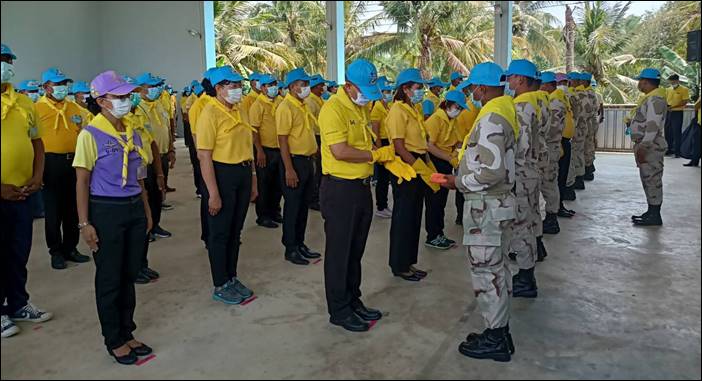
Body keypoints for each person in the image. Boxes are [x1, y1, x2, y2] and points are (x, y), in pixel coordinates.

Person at [73, 70, 153, 365]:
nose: (125, 101)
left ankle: (127, 330)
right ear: (101, 101)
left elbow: (139, 176)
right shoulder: (90, 135)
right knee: (109, 276)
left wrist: (145, 210)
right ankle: (114, 338)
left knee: (128, 273)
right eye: (118, 97)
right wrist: (85, 223)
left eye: (126, 96)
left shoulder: (132, 132)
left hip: (133, 206)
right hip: (106, 209)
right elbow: (82, 181)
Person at [440, 61, 517, 362]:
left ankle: (496, 338)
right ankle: (499, 331)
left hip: (487, 206)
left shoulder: (491, 118)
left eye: (473, 88)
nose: (472, 94)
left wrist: (456, 182)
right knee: (496, 269)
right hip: (497, 206)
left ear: (483, 88)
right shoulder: (504, 110)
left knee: (487, 272)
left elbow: (492, 171)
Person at [318, 59, 390, 332]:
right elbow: (340, 151)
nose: (366, 98)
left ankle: (353, 300)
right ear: (348, 86)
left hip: (361, 186)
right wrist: (375, 155)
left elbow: (365, 140)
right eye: (362, 91)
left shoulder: (360, 107)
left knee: (355, 250)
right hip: (339, 189)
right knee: (339, 252)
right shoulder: (332, 109)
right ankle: (339, 309)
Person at [1, 43, 53, 339]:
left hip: (23, 192)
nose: (5, 64)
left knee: (18, 251)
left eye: (8, 59)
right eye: (1, 60)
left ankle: (18, 303)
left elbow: (37, 143)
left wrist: (37, 175)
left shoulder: (24, 103)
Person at [196, 66, 258, 304]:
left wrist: (252, 179)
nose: (237, 90)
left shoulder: (240, 110)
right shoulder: (209, 113)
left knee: (235, 231)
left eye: (238, 85)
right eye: (231, 86)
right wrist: (213, 193)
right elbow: (204, 156)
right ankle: (220, 283)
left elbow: (247, 147)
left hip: (242, 173)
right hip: (221, 175)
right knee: (220, 233)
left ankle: (232, 277)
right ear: (218, 89)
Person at [35, 67, 91, 270]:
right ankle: (56, 251)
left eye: (63, 84)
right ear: (46, 87)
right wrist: (37, 171)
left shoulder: (73, 107)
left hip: (73, 161)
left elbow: (84, 130)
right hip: (50, 163)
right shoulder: (36, 108)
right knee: (53, 211)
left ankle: (71, 247)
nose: (62, 88)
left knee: (72, 208)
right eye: (57, 84)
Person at [386, 68, 432, 282]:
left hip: (418, 161)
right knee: (404, 217)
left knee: (414, 217)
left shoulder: (412, 108)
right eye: (417, 87)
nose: (420, 91)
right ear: (404, 89)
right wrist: (417, 167)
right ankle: (399, 264)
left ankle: (409, 262)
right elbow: (399, 146)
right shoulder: (397, 111)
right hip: (407, 166)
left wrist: (425, 165)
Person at [276, 68, 321, 265]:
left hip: (307, 161)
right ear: (292, 87)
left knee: (303, 205)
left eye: (307, 84)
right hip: (294, 161)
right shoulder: (286, 108)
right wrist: (289, 169)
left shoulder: (303, 105)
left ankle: (300, 243)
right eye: (303, 84)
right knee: (293, 206)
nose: (306, 88)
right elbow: (283, 141)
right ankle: (290, 247)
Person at [122, 84, 166, 284]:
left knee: (150, 216)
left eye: (133, 94)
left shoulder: (140, 115)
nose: (132, 98)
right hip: (130, 178)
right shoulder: (120, 122)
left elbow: (153, 144)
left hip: (146, 172)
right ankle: (133, 267)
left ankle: (142, 263)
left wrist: (159, 174)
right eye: (128, 95)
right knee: (136, 223)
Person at [504, 59, 541, 297]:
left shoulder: (519, 107)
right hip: (531, 171)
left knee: (520, 225)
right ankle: (527, 272)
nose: (508, 81)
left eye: (510, 77)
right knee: (528, 220)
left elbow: (522, 146)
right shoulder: (534, 103)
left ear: (519, 79)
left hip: (521, 172)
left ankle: (526, 277)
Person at [423, 90, 467, 250]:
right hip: (435, 163)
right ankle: (433, 236)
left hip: (445, 161)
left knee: (440, 200)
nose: (459, 111)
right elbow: (429, 146)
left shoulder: (451, 120)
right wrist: (450, 158)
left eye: (461, 108)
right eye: (457, 107)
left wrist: (457, 153)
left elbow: (457, 141)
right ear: (447, 104)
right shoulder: (436, 120)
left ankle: (438, 233)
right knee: (434, 200)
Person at [134, 72, 173, 241]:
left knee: (158, 193)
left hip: (161, 156)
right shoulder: (138, 109)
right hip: (144, 162)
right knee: (146, 196)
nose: (156, 89)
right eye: (152, 87)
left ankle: (155, 224)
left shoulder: (158, 104)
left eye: (157, 86)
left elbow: (166, 128)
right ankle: (146, 229)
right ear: (141, 89)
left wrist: (171, 149)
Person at [629, 68, 668, 226]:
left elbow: (653, 125)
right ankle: (651, 211)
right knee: (648, 178)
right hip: (646, 144)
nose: (639, 84)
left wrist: (644, 147)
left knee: (652, 179)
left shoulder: (655, 99)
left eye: (640, 81)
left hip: (650, 145)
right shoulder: (650, 98)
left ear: (646, 82)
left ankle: (655, 214)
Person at [250, 74, 284, 228]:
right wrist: (259, 151)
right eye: (269, 85)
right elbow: (254, 130)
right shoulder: (258, 105)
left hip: (280, 149)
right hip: (266, 150)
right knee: (265, 184)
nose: (273, 87)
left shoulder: (280, 102)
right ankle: (263, 215)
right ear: (262, 88)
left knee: (278, 184)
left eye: (274, 84)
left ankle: (275, 212)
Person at [539, 72, 568, 234]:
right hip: (548, 148)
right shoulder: (549, 100)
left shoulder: (555, 102)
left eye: (542, 84)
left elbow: (552, 129)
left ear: (549, 85)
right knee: (548, 182)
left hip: (550, 148)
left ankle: (551, 218)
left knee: (549, 183)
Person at [453, 80, 481, 225]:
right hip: (464, 150)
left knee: (461, 183)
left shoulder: (469, 107)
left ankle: (460, 215)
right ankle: (461, 215)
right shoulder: (471, 109)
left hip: (462, 149)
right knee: (463, 184)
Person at [370, 79, 395, 218]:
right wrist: (380, 151)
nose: (389, 94)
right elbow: (376, 132)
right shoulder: (377, 108)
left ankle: (384, 204)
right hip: (382, 143)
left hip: (389, 142)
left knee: (386, 177)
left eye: (389, 91)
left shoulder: (387, 107)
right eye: (386, 91)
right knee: (382, 178)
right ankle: (381, 206)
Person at [306, 74, 326, 211]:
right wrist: (315, 144)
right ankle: (313, 198)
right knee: (317, 171)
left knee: (321, 169)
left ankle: (318, 196)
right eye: (320, 86)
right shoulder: (310, 102)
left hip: (322, 137)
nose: (323, 88)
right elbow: (311, 125)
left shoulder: (319, 99)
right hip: (316, 137)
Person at [665, 74, 690, 157]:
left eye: (673, 81)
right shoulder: (668, 89)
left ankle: (677, 151)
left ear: (677, 81)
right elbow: (665, 99)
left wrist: (673, 106)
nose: (672, 82)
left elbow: (685, 101)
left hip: (677, 112)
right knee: (667, 131)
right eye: (671, 81)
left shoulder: (684, 89)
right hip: (668, 112)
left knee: (676, 132)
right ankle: (669, 149)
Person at [683, 99, 701, 167]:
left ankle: (694, 161)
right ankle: (694, 160)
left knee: (696, 143)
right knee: (696, 143)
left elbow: (696, 106)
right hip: (699, 122)